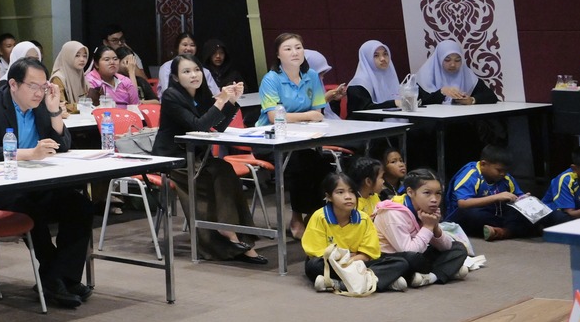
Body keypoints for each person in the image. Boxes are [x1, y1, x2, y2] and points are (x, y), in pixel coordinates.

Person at [0, 55, 98, 305]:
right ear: (13, 84)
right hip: (1, 187)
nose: (39, 93)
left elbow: (63, 145)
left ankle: (65, 277)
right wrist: (29, 154)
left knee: (80, 205)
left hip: (38, 182)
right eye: (33, 86)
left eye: (43, 86)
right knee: (32, 209)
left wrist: (54, 111)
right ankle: (53, 279)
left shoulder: (41, 105)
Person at [152, 57, 261, 264]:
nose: (194, 75)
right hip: (174, 159)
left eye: (197, 70)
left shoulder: (201, 94)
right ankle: (227, 240)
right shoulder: (171, 96)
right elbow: (199, 126)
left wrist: (231, 101)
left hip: (197, 156)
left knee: (224, 169)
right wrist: (220, 101)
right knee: (211, 177)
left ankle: (230, 231)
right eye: (186, 72)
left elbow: (217, 126)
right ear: (175, 77)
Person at [258, 32, 343, 236]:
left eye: (298, 47)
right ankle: (296, 218)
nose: (294, 52)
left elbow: (318, 112)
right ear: (278, 55)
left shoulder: (311, 76)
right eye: (288, 49)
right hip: (270, 139)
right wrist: (307, 116)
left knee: (322, 165)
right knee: (299, 163)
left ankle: (315, 217)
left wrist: (299, 116)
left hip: (303, 138)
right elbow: (274, 117)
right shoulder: (271, 79)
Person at [304, 168, 409, 293]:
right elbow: (318, 253)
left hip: (357, 262)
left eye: (352, 192)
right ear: (329, 197)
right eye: (340, 192)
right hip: (333, 264)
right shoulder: (319, 217)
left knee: (400, 263)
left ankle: (338, 284)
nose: (348, 197)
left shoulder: (363, 218)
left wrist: (351, 259)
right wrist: (346, 259)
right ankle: (376, 281)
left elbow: (368, 253)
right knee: (314, 265)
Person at [374, 168, 471, 286]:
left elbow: (446, 247)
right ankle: (446, 271)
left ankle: (431, 277)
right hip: (393, 257)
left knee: (458, 248)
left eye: (438, 193)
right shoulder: (393, 213)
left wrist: (435, 227)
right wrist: (428, 227)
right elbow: (408, 250)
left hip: (417, 251)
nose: (434, 199)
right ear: (410, 192)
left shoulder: (425, 209)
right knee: (410, 260)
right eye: (427, 193)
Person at [448, 144, 545, 240]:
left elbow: (518, 195)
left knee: (530, 212)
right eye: (499, 170)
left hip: (496, 215)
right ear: (483, 164)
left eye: (505, 171)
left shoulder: (505, 177)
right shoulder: (471, 174)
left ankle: (501, 232)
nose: (503, 174)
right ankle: (514, 230)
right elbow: (462, 203)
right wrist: (497, 197)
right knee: (473, 215)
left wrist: (524, 199)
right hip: (470, 214)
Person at [415, 39, 497, 107]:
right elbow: (418, 102)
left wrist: (472, 100)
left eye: (457, 60)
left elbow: (491, 96)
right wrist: (441, 92)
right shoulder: (424, 77)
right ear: (439, 59)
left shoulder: (467, 75)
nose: (453, 64)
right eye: (447, 60)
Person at [345, 40, 403, 112]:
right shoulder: (358, 84)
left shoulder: (390, 77)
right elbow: (363, 111)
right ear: (366, 59)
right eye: (376, 55)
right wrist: (393, 103)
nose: (383, 59)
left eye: (385, 54)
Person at [50, 41, 91, 113]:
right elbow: (59, 105)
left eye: (84, 56)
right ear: (67, 56)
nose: (82, 59)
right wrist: (82, 107)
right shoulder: (58, 78)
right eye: (77, 55)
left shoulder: (81, 75)